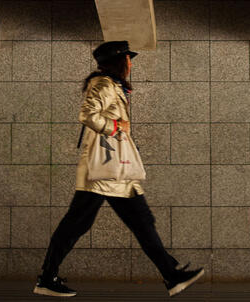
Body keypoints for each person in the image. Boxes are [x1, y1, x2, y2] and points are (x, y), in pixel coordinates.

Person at [35, 40, 205, 297]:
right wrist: (116, 128)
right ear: (118, 61)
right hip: (102, 172)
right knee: (76, 225)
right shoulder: (102, 84)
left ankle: (172, 275)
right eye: (128, 58)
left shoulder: (113, 86)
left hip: (117, 172)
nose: (131, 62)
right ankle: (47, 278)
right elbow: (87, 115)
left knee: (143, 222)